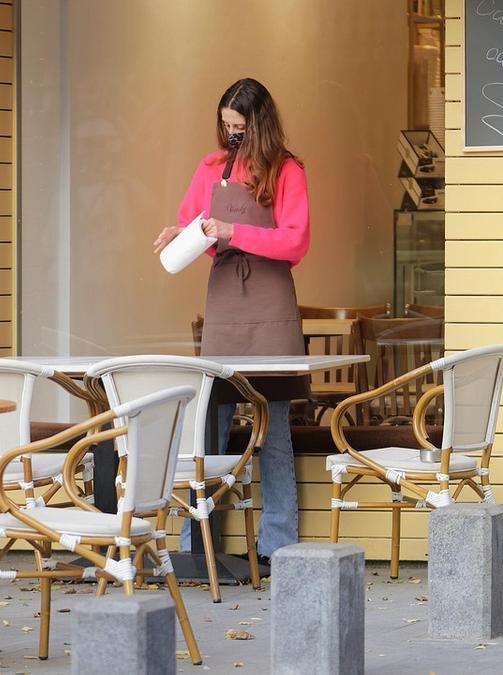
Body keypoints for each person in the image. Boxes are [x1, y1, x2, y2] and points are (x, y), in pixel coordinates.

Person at [154, 77, 310, 564]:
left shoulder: (287, 170)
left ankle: (277, 545)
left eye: (239, 126)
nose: (232, 135)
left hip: (271, 301)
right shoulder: (210, 167)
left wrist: (233, 229)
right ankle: (194, 545)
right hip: (225, 297)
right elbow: (194, 222)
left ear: (259, 124)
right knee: (210, 421)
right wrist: (178, 233)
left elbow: (294, 242)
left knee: (276, 426)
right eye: (226, 126)